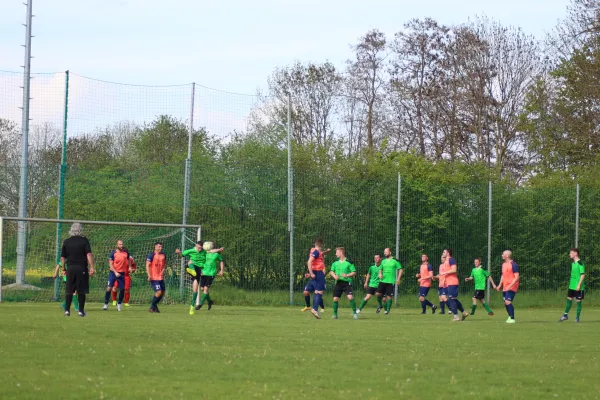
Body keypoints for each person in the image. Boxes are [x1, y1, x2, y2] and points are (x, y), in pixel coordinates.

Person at [175, 241, 223, 315]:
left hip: (200, 270)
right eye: (198, 247)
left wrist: (219, 250)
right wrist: (178, 253)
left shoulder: (204, 252)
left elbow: (211, 251)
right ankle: (191, 270)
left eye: (201, 248)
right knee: (190, 262)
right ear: (196, 245)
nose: (199, 249)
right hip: (193, 267)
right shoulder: (191, 250)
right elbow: (182, 255)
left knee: (196, 289)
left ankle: (192, 307)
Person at [60, 223, 95, 317]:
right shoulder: (84, 240)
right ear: (80, 230)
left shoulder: (66, 241)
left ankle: (67, 310)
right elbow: (89, 255)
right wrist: (92, 267)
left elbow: (62, 257)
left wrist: (64, 268)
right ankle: (81, 311)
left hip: (70, 268)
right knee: (81, 290)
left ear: (71, 230)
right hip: (81, 268)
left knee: (69, 290)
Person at [438, 248, 468, 322]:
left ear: (448, 253)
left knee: (452, 299)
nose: (443, 253)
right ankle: (463, 312)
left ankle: (456, 316)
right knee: (453, 299)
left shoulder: (451, 259)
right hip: (448, 283)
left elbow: (454, 269)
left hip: (453, 282)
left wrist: (444, 273)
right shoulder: (445, 262)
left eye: (444, 252)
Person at [303, 239, 330, 318]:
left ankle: (314, 309)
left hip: (315, 273)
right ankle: (314, 309)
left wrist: (311, 274)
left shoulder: (314, 251)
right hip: (318, 274)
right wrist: (311, 273)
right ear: (321, 245)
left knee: (308, 291)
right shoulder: (316, 251)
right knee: (319, 292)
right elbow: (309, 262)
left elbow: (319, 255)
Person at [194, 241, 224, 312]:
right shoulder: (205, 253)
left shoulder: (216, 254)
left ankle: (200, 305)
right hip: (203, 273)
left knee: (206, 289)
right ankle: (210, 301)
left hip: (211, 274)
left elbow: (221, 261)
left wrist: (222, 270)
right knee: (202, 288)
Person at [329, 247, 358, 320]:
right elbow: (331, 271)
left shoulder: (349, 262)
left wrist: (347, 275)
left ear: (341, 253)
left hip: (346, 283)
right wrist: (334, 276)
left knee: (350, 297)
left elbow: (354, 272)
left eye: (337, 252)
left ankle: (355, 313)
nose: (335, 254)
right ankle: (335, 315)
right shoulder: (335, 263)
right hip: (338, 283)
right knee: (335, 299)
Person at [103, 240, 132, 312]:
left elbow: (129, 260)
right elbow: (110, 264)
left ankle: (119, 304)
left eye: (122, 244)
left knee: (122, 289)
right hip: (113, 273)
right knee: (109, 288)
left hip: (122, 274)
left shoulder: (126, 253)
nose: (121, 246)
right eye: (120, 244)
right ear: (117, 245)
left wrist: (130, 267)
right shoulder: (113, 253)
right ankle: (106, 304)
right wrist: (115, 272)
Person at [559, 248, 585, 323]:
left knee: (578, 301)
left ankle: (577, 318)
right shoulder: (573, 263)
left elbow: (582, 275)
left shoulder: (580, 263)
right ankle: (565, 315)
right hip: (571, 286)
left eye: (571, 253)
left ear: (575, 253)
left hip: (578, 286)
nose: (569, 254)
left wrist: (579, 285)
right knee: (569, 299)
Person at [376, 248, 403, 315]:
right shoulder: (383, 261)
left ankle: (387, 310)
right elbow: (380, 269)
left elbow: (401, 269)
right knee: (378, 294)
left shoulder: (395, 261)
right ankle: (380, 305)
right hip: (382, 281)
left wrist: (398, 279)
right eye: (384, 252)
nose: (385, 253)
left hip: (390, 281)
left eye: (386, 252)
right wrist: (380, 274)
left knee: (389, 297)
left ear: (390, 252)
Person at [495, 250, 519, 324]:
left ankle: (512, 318)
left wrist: (510, 285)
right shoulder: (504, 264)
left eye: (503, 254)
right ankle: (510, 316)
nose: (502, 255)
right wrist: (499, 285)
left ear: (507, 256)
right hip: (505, 286)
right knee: (505, 303)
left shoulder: (513, 264)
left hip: (512, 286)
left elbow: (517, 277)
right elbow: (503, 275)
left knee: (508, 301)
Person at [146, 242, 167, 313]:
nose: (160, 248)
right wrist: (149, 275)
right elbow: (147, 266)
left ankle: (154, 306)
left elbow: (164, 265)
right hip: (154, 278)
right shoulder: (151, 255)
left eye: (161, 247)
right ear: (155, 247)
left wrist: (162, 272)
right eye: (159, 247)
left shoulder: (163, 255)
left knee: (163, 293)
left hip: (160, 277)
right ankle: (152, 307)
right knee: (158, 292)